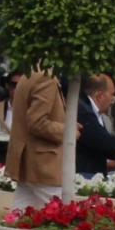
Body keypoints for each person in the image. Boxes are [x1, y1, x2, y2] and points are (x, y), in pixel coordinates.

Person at [5, 65, 69, 209]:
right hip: (44, 165)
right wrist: (67, 131)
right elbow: (37, 122)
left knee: (17, 217)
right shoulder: (45, 76)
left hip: (29, 163)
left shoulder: (31, 72)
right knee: (61, 217)